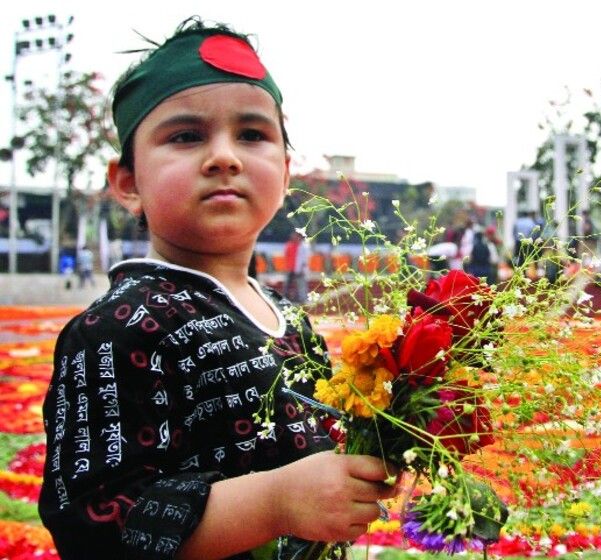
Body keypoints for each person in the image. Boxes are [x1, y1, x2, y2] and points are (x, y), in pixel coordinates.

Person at [39, 20, 396, 560]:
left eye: (252, 135)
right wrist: (276, 503)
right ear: (128, 183)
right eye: (185, 136)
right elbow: (93, 525)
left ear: (284, 169)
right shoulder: (113, 329)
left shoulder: (289, 318)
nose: (224, 157)